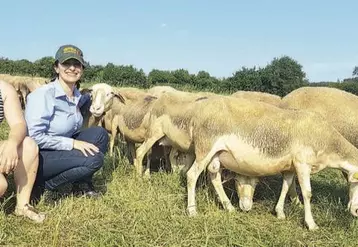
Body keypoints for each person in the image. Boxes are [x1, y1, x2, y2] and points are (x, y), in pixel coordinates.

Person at [25, 44, 109, 198]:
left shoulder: (77, 96)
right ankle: (45, 186)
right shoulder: (43, 95)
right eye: (66, 64)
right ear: (57, 67)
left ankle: (81, 184)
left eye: (77, 64)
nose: (72, 68)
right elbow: (33, 137)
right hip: (39, 156)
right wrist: (72, 144)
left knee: (100, 134)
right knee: (95, 159)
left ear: (82, 69)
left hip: (59, 148)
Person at [0, 79, 45, 223]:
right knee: (1, 186)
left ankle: (22, 206)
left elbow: (18, 124)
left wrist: (12, 144)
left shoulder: (4, 89)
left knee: (28, 145)